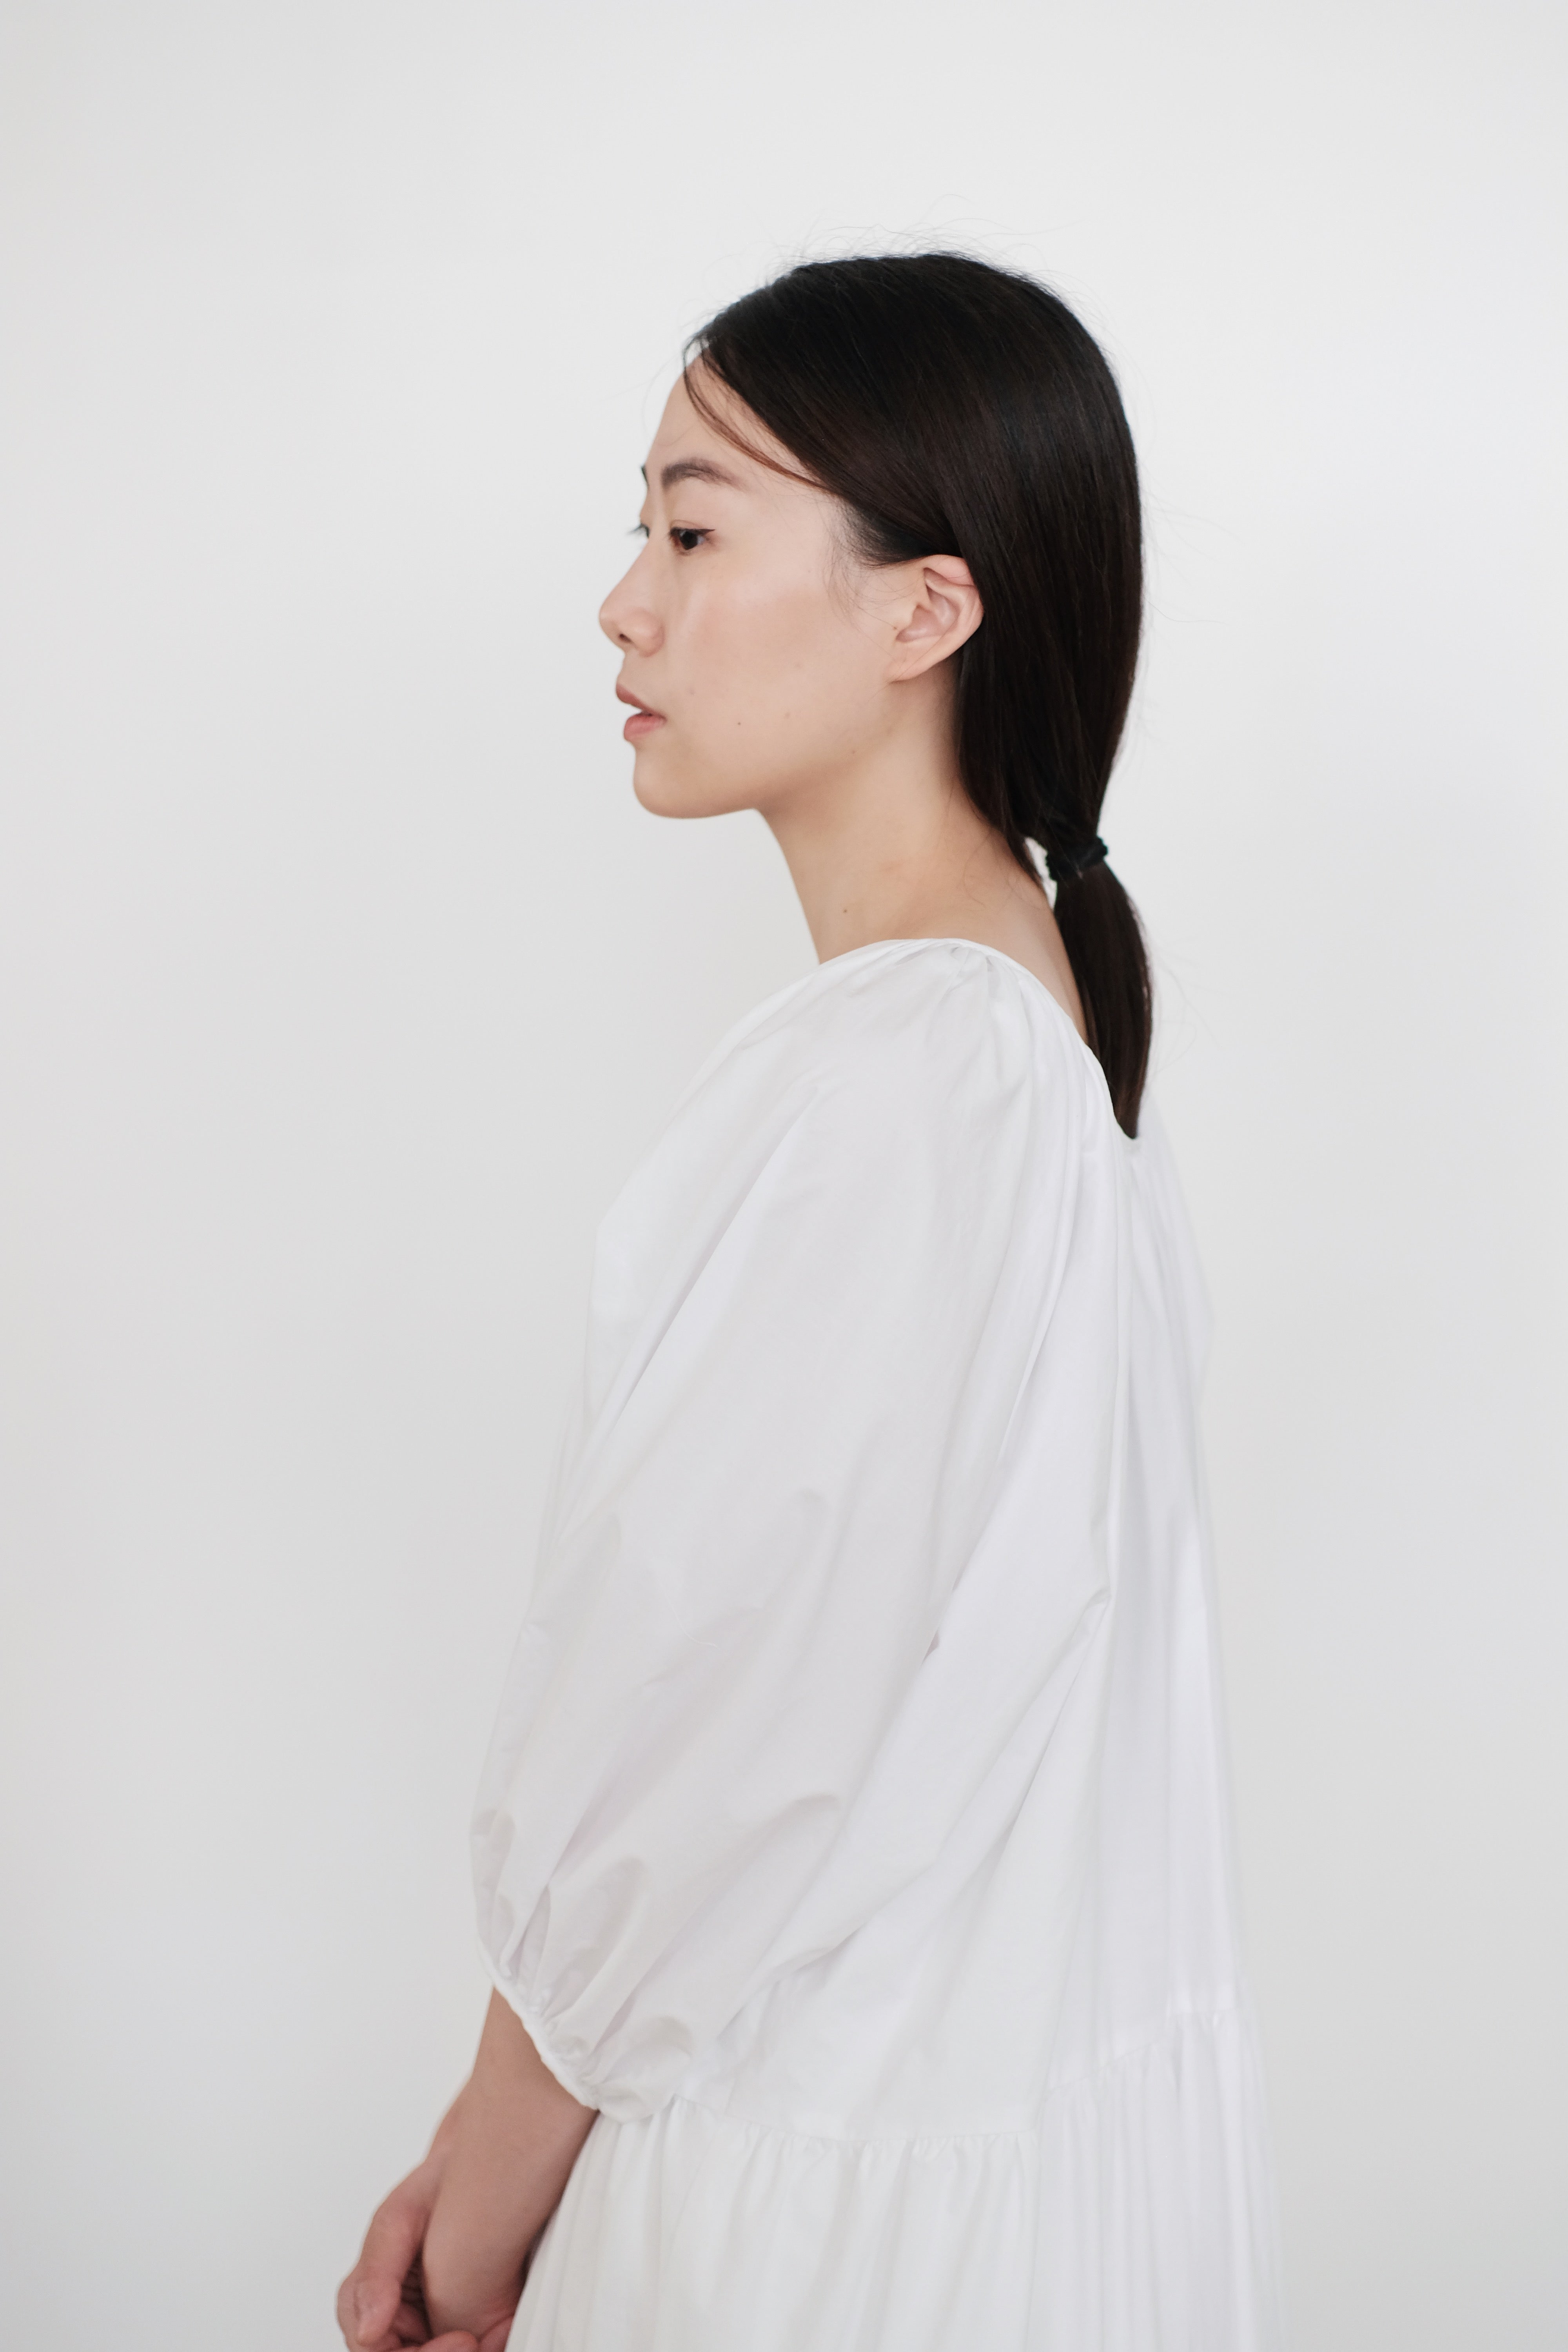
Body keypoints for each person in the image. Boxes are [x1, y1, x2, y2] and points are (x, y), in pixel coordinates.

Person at [337, 252, 1284, 2352]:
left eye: (692, 532)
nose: (625, 605)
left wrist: (477, 2214)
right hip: (958, 2193)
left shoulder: (909, 1081)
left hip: (807, 2217)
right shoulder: (1031, 1045)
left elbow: (686, 1744)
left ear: (925, 611)